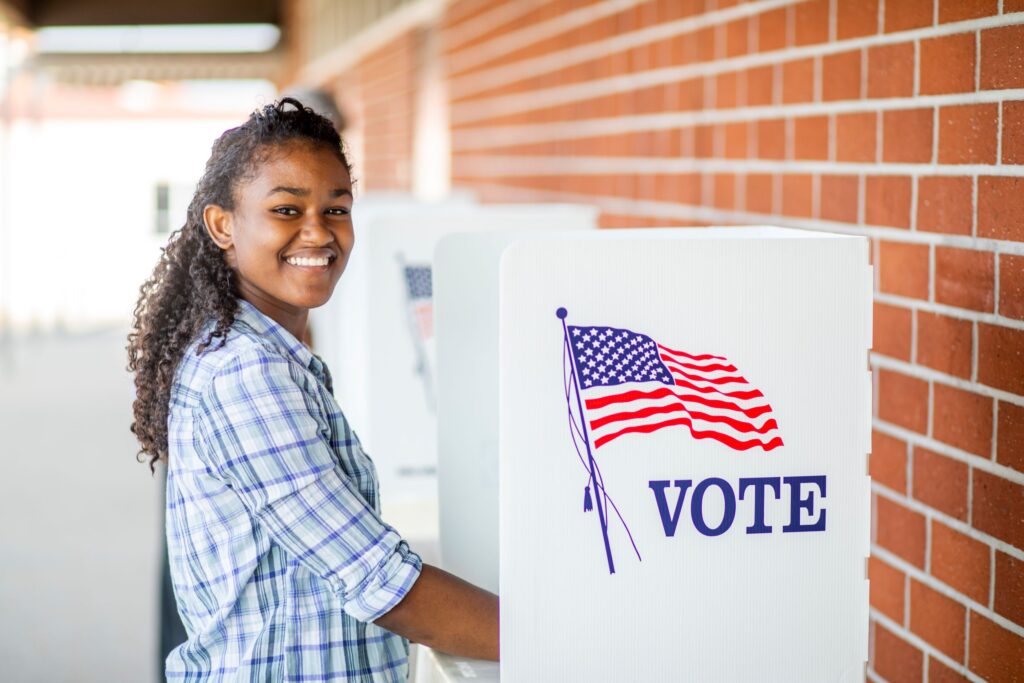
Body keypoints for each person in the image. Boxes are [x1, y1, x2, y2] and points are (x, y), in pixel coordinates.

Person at [127, 97, 499, 681]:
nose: (318, 232)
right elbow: (381, 582)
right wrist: (550, 632)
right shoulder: (246, 375)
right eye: (285, 209)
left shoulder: (271, 352)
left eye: (336, 208)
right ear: (223, 224)